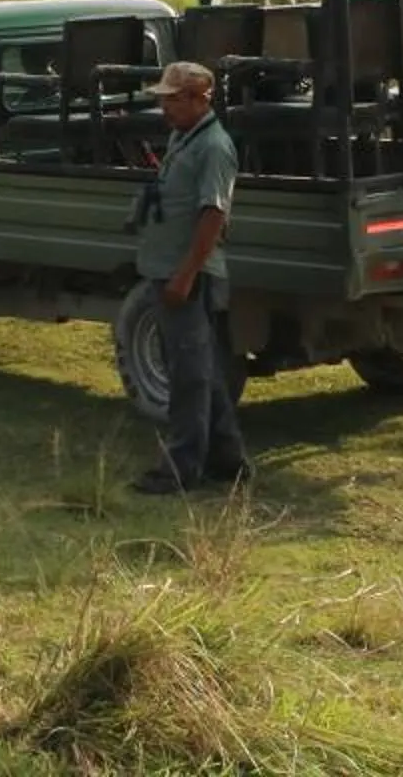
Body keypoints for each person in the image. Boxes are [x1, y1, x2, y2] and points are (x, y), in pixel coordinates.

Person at [131, 60, 249, 495]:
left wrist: (184, 276)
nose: (165, 108)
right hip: (169, 271)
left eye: (174, 99)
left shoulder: (214, 147)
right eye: (163, 99)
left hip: (189, 278)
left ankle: (180, 469)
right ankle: (229, 459)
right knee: (204, 371)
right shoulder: (184, 137)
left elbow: (213, 214)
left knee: (188, 375)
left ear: (201, 99)